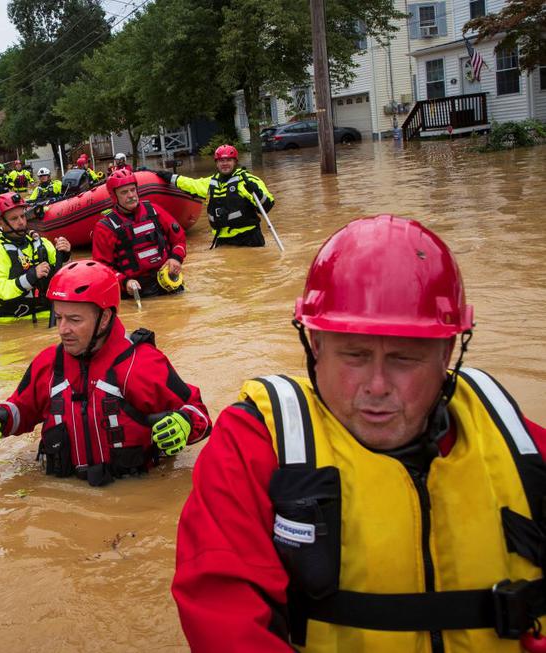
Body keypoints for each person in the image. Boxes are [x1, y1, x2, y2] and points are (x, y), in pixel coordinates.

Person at [172, 215, 546, 652]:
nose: (377, 386)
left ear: (447, 352)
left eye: (405, 359)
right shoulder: (256, 444)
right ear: (315, 346)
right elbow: (224, 615)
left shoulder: (515, 440)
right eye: (355, 355)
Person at [0, 259, 211, 486]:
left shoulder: (142, 363)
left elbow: (199, 413)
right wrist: (3, 417)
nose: (62, 330)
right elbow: (22, 409)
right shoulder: (48, 363)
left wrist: (185, 423)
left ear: (105, 318)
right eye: (58, 318)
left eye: (74, 320)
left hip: (131, 493)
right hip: (63, 495)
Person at [93, 169, 188, 299]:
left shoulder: (154, 211)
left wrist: (176, 258)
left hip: (167, 280)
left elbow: (179, 238)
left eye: (133, 190)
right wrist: (124, 282)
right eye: (124, 192)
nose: (131, 195)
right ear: (114, 196)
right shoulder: (105, 227)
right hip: (135, 290)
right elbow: (101, 267)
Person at [0, 192, 70, 324]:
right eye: (14, 219)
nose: (21, 222)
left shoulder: (42, 243)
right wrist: (30, 277)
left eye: (22, 216)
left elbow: (64, 277)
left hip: (49, 319)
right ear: (0, 223)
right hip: (12, 324)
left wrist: (65, 255)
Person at [157, 144, 273, 247]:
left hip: (249, 239)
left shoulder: (248, 181)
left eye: (228, 160)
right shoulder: (210, 182)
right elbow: (190, 184)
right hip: (222, 240)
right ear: (216, 163)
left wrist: (257, 192)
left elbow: (267, 206)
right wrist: (165, 176)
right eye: (221, 161)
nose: (225, 163)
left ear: (235, 162)